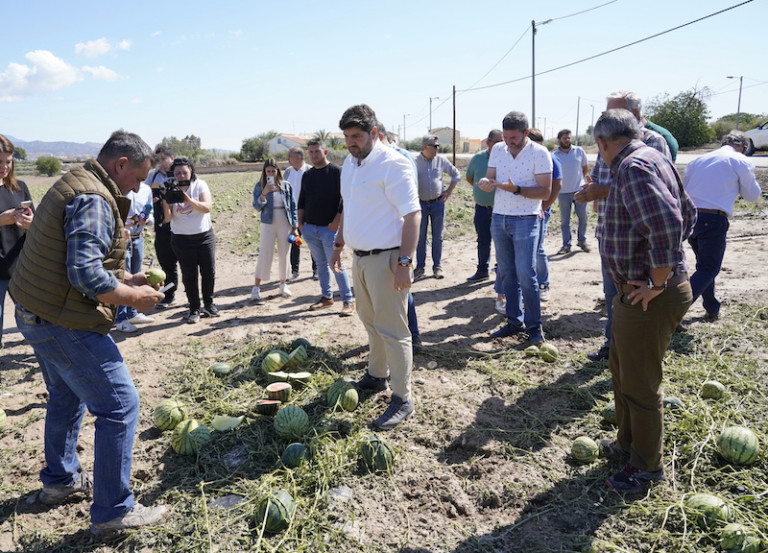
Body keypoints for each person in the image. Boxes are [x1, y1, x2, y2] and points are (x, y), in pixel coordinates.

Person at [9, 130, 168, 535]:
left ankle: (60, 481)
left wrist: (123, 276)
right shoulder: (95, 199)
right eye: (137, 177)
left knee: (65, 394)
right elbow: (83, 273)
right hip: (60, 321)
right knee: (119, 405)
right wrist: (133, 297)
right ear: (120, 166)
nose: (138, 187)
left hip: (33, 311)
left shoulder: (78, 181)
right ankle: (114, 510)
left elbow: (79, 258)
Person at [592, 109, 695, 493]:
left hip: (649, 296)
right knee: (622, 370)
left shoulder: (633, 167)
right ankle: (628, 444)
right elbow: (689, 213)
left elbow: (669, 223)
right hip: (636, 292)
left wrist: (656, 281)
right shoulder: (655, 157)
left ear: (602, 143)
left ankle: (647, 467)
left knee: (640, 382)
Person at [331, 104, 420, 430]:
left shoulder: (392, 164)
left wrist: (404, 263)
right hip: (361, 257)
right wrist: (339, 244)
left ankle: (402, 398)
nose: (351, 142)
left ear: (374, 133)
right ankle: (377, 375)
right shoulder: (350, 167)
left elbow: (413, 215)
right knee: (370, 321)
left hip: (388, 258)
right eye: (346, 137)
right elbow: (349, 208)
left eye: (356, 136)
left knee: (394, 330)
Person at [575, 89, 674, 362]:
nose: (609, 117)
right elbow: (598, 178)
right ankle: (613, 346)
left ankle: (634, 353)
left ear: (637, 114)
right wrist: (591, 193)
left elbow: (656, 198)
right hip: (611, 230)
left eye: (615, 111)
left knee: (636, 297)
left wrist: (601, 192)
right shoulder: (606, 140)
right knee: (613, 294)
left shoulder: (652, 143)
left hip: (637, 240)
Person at [478, 111, 552, 344]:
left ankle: (534, 327)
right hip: (499, 218)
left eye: (514, 138)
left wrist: (517, 189)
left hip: (526, 219)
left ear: (526, 133)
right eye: (506, 137)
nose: (509, 142)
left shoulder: (539, 154)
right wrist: (487, 184)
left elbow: (545, 191)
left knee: (526, 273)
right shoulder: (498, 150)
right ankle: (513, 321)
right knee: (507, 272)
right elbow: (490, 176)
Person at [683, 130, 761, 322]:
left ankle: (712, 307)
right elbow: (752, 195)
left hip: (689, 217)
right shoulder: (739, 160)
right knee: (709, 268)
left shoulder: (698, 160)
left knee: (705, 265)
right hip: (713, 218)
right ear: (743, 147)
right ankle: (675, 309)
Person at [377, 122, 422, 351]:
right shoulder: (403, 157)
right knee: (401, 290)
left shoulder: (395, 160)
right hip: (397, 229)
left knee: (400, 288)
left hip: (396, 232)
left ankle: (409, 337)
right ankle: (410, 336)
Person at [298, 139, 355, 316]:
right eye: (311, 152)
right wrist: (300, 223)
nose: (314, 155)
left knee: (336, 263)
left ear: (325, 152)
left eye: (317, 151)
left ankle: (348, 300)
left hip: (329, 229)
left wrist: (337, 221)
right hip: (310, 229)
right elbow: (301, 200)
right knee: (321, 264)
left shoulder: (337, 172)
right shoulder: (307, 175)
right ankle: (326, 297)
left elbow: (345, 199)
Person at [163, 157, 219, 323]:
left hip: (204, 236)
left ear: (191, 172)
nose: (181, 175)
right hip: (181, 239)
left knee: (208, 271)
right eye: (177, 173)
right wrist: (166, 202)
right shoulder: (170, 189)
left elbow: (207, 207)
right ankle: (194, 308)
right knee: (189, 274)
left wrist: (187, 199)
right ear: (173, 174)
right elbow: (167, 219)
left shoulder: (199, 185)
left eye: (184, 172)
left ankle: (208, 304)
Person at [466, 129, 507, 313]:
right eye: (497, 141)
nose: (501, 144)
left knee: (502, 243)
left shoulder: (506, 158)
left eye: (503, 141)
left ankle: (500, 272)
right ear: (488, 142)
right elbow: (470, 177)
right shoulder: (477, 158)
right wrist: (481, 192)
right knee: (483, 240)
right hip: (482, 208)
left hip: (501, 210)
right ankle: (482, 269)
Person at [0, 134, 34, 347]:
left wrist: (31, 223)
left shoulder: (19, 187)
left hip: (20, 267)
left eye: (8, 161)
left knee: (32, 322)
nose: (5, 166)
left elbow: (37, 223)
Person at [251, 158, 299, 302]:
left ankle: (283, 284)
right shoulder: (260, 186)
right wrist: (264, 193)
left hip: (285, 221)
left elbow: (293, 206)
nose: (271, 173)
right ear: (264, 172)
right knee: (265, 253)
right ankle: (256, 287)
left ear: (278, 171)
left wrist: (295, 227)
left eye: (273, 170)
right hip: (268, 222)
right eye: (268, 171)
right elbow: (257, 206)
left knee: (284, 253)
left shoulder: (286, 186)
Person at [413, 134, 461, 280]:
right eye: (434, 146)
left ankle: (437, 266)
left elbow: (456, 174)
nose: (437, 148)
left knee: (437, 237)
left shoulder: (441, 160)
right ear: (424, 147)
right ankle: (420, 267)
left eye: (438, 146)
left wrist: (448, 192)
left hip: (437, 204)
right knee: (420, 237)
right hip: (420, 204)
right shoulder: (414, 161)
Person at [114, 180, 154, 333]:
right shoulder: (120, 188)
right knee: (123, 279)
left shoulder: (145, 190)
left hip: (139, 238)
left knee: (136, 277)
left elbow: (151, 215)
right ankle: (121, 319)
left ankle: (133, 313)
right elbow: (112, 216)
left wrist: (147, 220)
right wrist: (130, 222)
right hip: (123, 239)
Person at [527, 129, 562, 302]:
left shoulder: (551, 159)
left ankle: (543, 284)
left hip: (540, 212)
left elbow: (557, 186)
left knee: (538, 248)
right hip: (525, 212)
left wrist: (544, 207)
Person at [147, 146, 178, 309]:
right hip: (161, 227)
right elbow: (143, 194)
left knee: (188, 263)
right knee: (166, 262)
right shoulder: (153, 177)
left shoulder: (181, 174)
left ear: (171, 158)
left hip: (180, 226)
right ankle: (170, 294)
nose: (161, 163)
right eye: (158, 160)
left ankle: (193, 297)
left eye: (163, 159)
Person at [552, 129, 590, 254]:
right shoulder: (555, 155)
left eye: (569, 138)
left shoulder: (579, 151)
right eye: (564, 138)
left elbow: (585, 169)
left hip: (579, 191)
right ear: (559, 140)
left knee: (583, 217)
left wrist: (580, 182)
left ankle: (582, 241)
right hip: (563, 193)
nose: (567, 140)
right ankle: (566, 245)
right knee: (565, 220)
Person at [283, 146, 312, 280]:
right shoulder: (288, 172)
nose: (288, 159)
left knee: (312, 241)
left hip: (308, 212)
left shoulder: (310, 170)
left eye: (290, 156)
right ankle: (295, 270)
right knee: (294, 241)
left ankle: (316, 269)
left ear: (298, 158)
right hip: (291, 214)